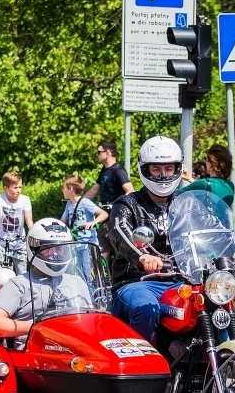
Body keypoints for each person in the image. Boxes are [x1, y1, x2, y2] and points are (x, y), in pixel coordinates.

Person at [108, 135, 184, 343]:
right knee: (146, 309)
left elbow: (213, 225)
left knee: (213, 306)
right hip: (136, 282)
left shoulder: (186, 203)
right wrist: (141, 256)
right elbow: (119, 231)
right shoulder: (127, 204)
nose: (163, 175)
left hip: (180, 281)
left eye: (169, 169)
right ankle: (140, 367)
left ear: (177, 169)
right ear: (145, 169)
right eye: (156, 169)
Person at [0, 218, 92, 350]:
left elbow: (90, 320)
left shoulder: (77, 282)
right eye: (47, 248)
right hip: (35, 353)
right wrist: (37, 326)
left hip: (76, 349)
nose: (54, 254)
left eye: (59, 248)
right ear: (34, 248)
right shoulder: (19, 284)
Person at [0, 171, 33, 297]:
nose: (18, 190)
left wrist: (34, 234)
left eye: (20, 187)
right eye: (15, 188)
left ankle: (25, 298)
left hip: (19, 242)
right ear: (6, 188)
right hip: (0, 240)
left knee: (22, 272)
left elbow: (29, 221)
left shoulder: (25, 200)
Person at [84, 139, 135, 261]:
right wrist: (78, 203)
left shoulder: (118, 170)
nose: (97, 155)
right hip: (104, 219)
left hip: (115, 220)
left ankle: (122, 279)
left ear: (107, 153)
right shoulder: (105, 170)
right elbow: (94, 190)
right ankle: (101, 279)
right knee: (101, 254)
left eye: (98, 152)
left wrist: (118, 206)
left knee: (120, 254)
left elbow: (130, 190)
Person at [59, 173, 108, 278]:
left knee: (86, 273)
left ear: (70, 189)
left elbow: (104, 214)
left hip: (87, 244)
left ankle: (90, 293)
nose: (62, 190)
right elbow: (62, 221)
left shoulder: (85, 202)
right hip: (75, 243)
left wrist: (93, 222)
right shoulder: (69, 204)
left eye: (64, 188)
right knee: (76, 272)